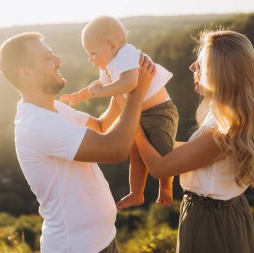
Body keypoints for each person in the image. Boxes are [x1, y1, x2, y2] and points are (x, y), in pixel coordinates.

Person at [0, 31, 155, 253]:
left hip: (103, 240)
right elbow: (115, 149)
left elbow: (101, 126)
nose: (58, 60)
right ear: (27, 74)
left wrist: (119, 85)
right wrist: (137, 92)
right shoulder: (37, 125)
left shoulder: (54, 109)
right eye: (48, 57)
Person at [134, 30, 254, 253]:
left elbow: (159, 168)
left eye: (200, 64)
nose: (192, 68)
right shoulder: (228, 116)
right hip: (223, 214)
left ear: (219, 74)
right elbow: (191, 154)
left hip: (210, 222)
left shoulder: (223, 132)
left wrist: (135, 128)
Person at [60, 16, 179, 209]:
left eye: (92, 53)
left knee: (162, 151)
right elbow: (98, 86)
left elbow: (130, 82)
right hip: (139, 114)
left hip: (159, 112)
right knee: (135, 152)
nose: (90, 60)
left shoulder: (126, 54)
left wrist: (104, 92)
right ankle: (136, 192)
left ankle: (165, 188)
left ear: (112, 46)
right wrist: (78, 97)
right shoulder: (108, 66)